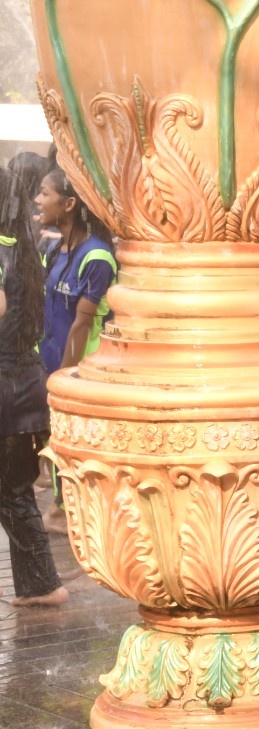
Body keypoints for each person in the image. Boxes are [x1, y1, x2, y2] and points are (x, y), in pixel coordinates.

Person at [0, 166, 67, 607]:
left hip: (6, 389)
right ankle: (42, 586)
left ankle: (44, 586)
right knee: (14, 490)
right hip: (25, 385)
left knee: (11, 491)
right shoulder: (23, 248)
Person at [36, 169, 115, 376]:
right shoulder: (54, 250)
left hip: (80, 372)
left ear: (69, 204)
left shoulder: (96, 256)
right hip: (47, 363)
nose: (37, 200)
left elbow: (82, 325)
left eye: (44, 193)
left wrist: (63, 380)